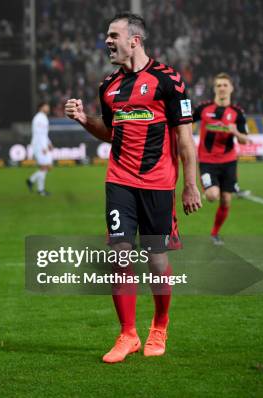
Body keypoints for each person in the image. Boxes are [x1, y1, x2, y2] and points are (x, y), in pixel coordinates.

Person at [65, 12, 201, 363]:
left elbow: (185, 139)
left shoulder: (169, 81)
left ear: (134, 40)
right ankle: (127, 334)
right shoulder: (108, 86)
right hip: (119, 181)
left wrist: (191, 185)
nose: (107, 41)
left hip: (158, 184)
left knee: (157, 261)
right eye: (107, 36)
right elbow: (111, 133)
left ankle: (160, 324)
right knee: (120, 254)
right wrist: (83, 120)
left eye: (113, 35)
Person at [193, 73, 251, 245]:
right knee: (212, 196)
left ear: (231, 88)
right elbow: (186, 122)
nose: (222, 88)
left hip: (229, 161)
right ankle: (209, 188)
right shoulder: (203, 108)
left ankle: (214, 233)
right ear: (214, 89)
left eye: (225, 85)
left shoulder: (237, 112)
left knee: (226, 200)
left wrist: (235, 132)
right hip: (207, 161)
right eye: (219, 85)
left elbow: (244, 139)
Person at [26, 101, 53, 196]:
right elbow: (38, 134)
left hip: (43, 145)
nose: (48, 108)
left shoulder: (44, 118)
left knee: (47, 167)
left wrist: (49, 143)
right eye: (46, 106)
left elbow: (44, 134)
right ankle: (40, 190)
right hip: (39, 146)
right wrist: (43, 147)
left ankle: (31, 180)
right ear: (41, 107)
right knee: (45, 167)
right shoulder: (38, 118)